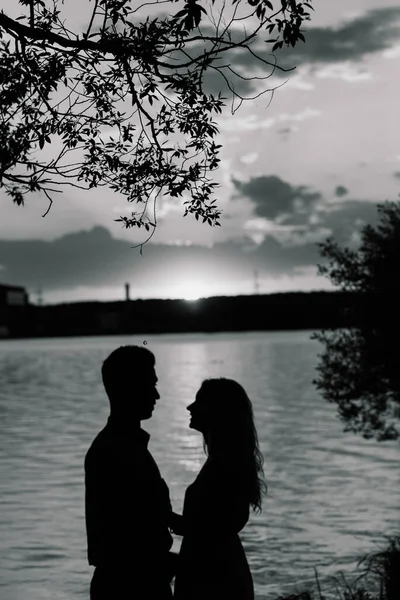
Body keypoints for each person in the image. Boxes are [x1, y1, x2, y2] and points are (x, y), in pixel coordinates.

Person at [84, 345, 174, 600]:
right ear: (129, 388)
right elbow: (125, 538)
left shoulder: (125, 446)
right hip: (130, 587)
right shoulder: (115, 451)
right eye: (150, 384)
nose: (157, 395)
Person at [170, 378, 267, 600]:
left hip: (215, 578)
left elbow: (215, 527)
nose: (190, 407)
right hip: (215, 570)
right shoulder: (222, 461)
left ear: (217, 411)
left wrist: (162, 515)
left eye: (199, 402)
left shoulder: (224, 464)